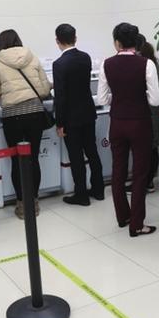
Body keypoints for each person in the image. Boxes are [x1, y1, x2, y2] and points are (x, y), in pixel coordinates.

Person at [97, 23, 159, 237]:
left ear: (117, 42)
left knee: (118, 171)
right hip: (140, 123)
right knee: (140, 174)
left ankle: (122, 216)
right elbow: (155, 100)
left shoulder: (106, 64)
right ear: (136, 43)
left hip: (117, 122)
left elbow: (102, 99)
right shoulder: (147, 64)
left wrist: (119, 98)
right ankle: (137, 224)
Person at [0, 29, 52, 219]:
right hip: (35, 114)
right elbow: (44, 89)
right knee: (33, 158)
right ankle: (34, 203)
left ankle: (22, 205)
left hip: (12, 117)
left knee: (17, 160)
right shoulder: (32, 58)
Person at [52, 23, 105, 206]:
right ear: (75, 38)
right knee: (92, 152)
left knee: (76, 157)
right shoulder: (85, 57)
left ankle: (81, 194)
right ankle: (98, 189)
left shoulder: (59, 64)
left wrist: (59, 123)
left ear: (58, 41)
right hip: (88, 113)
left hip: (70, 118)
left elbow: (61, 96)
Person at [136, 35, 159, 193]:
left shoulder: (145, 64)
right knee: (151, 148)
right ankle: (148, 180)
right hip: (152, 111)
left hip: (148, 111)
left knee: (148, 149)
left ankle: (147, 182)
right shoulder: (152, 61)